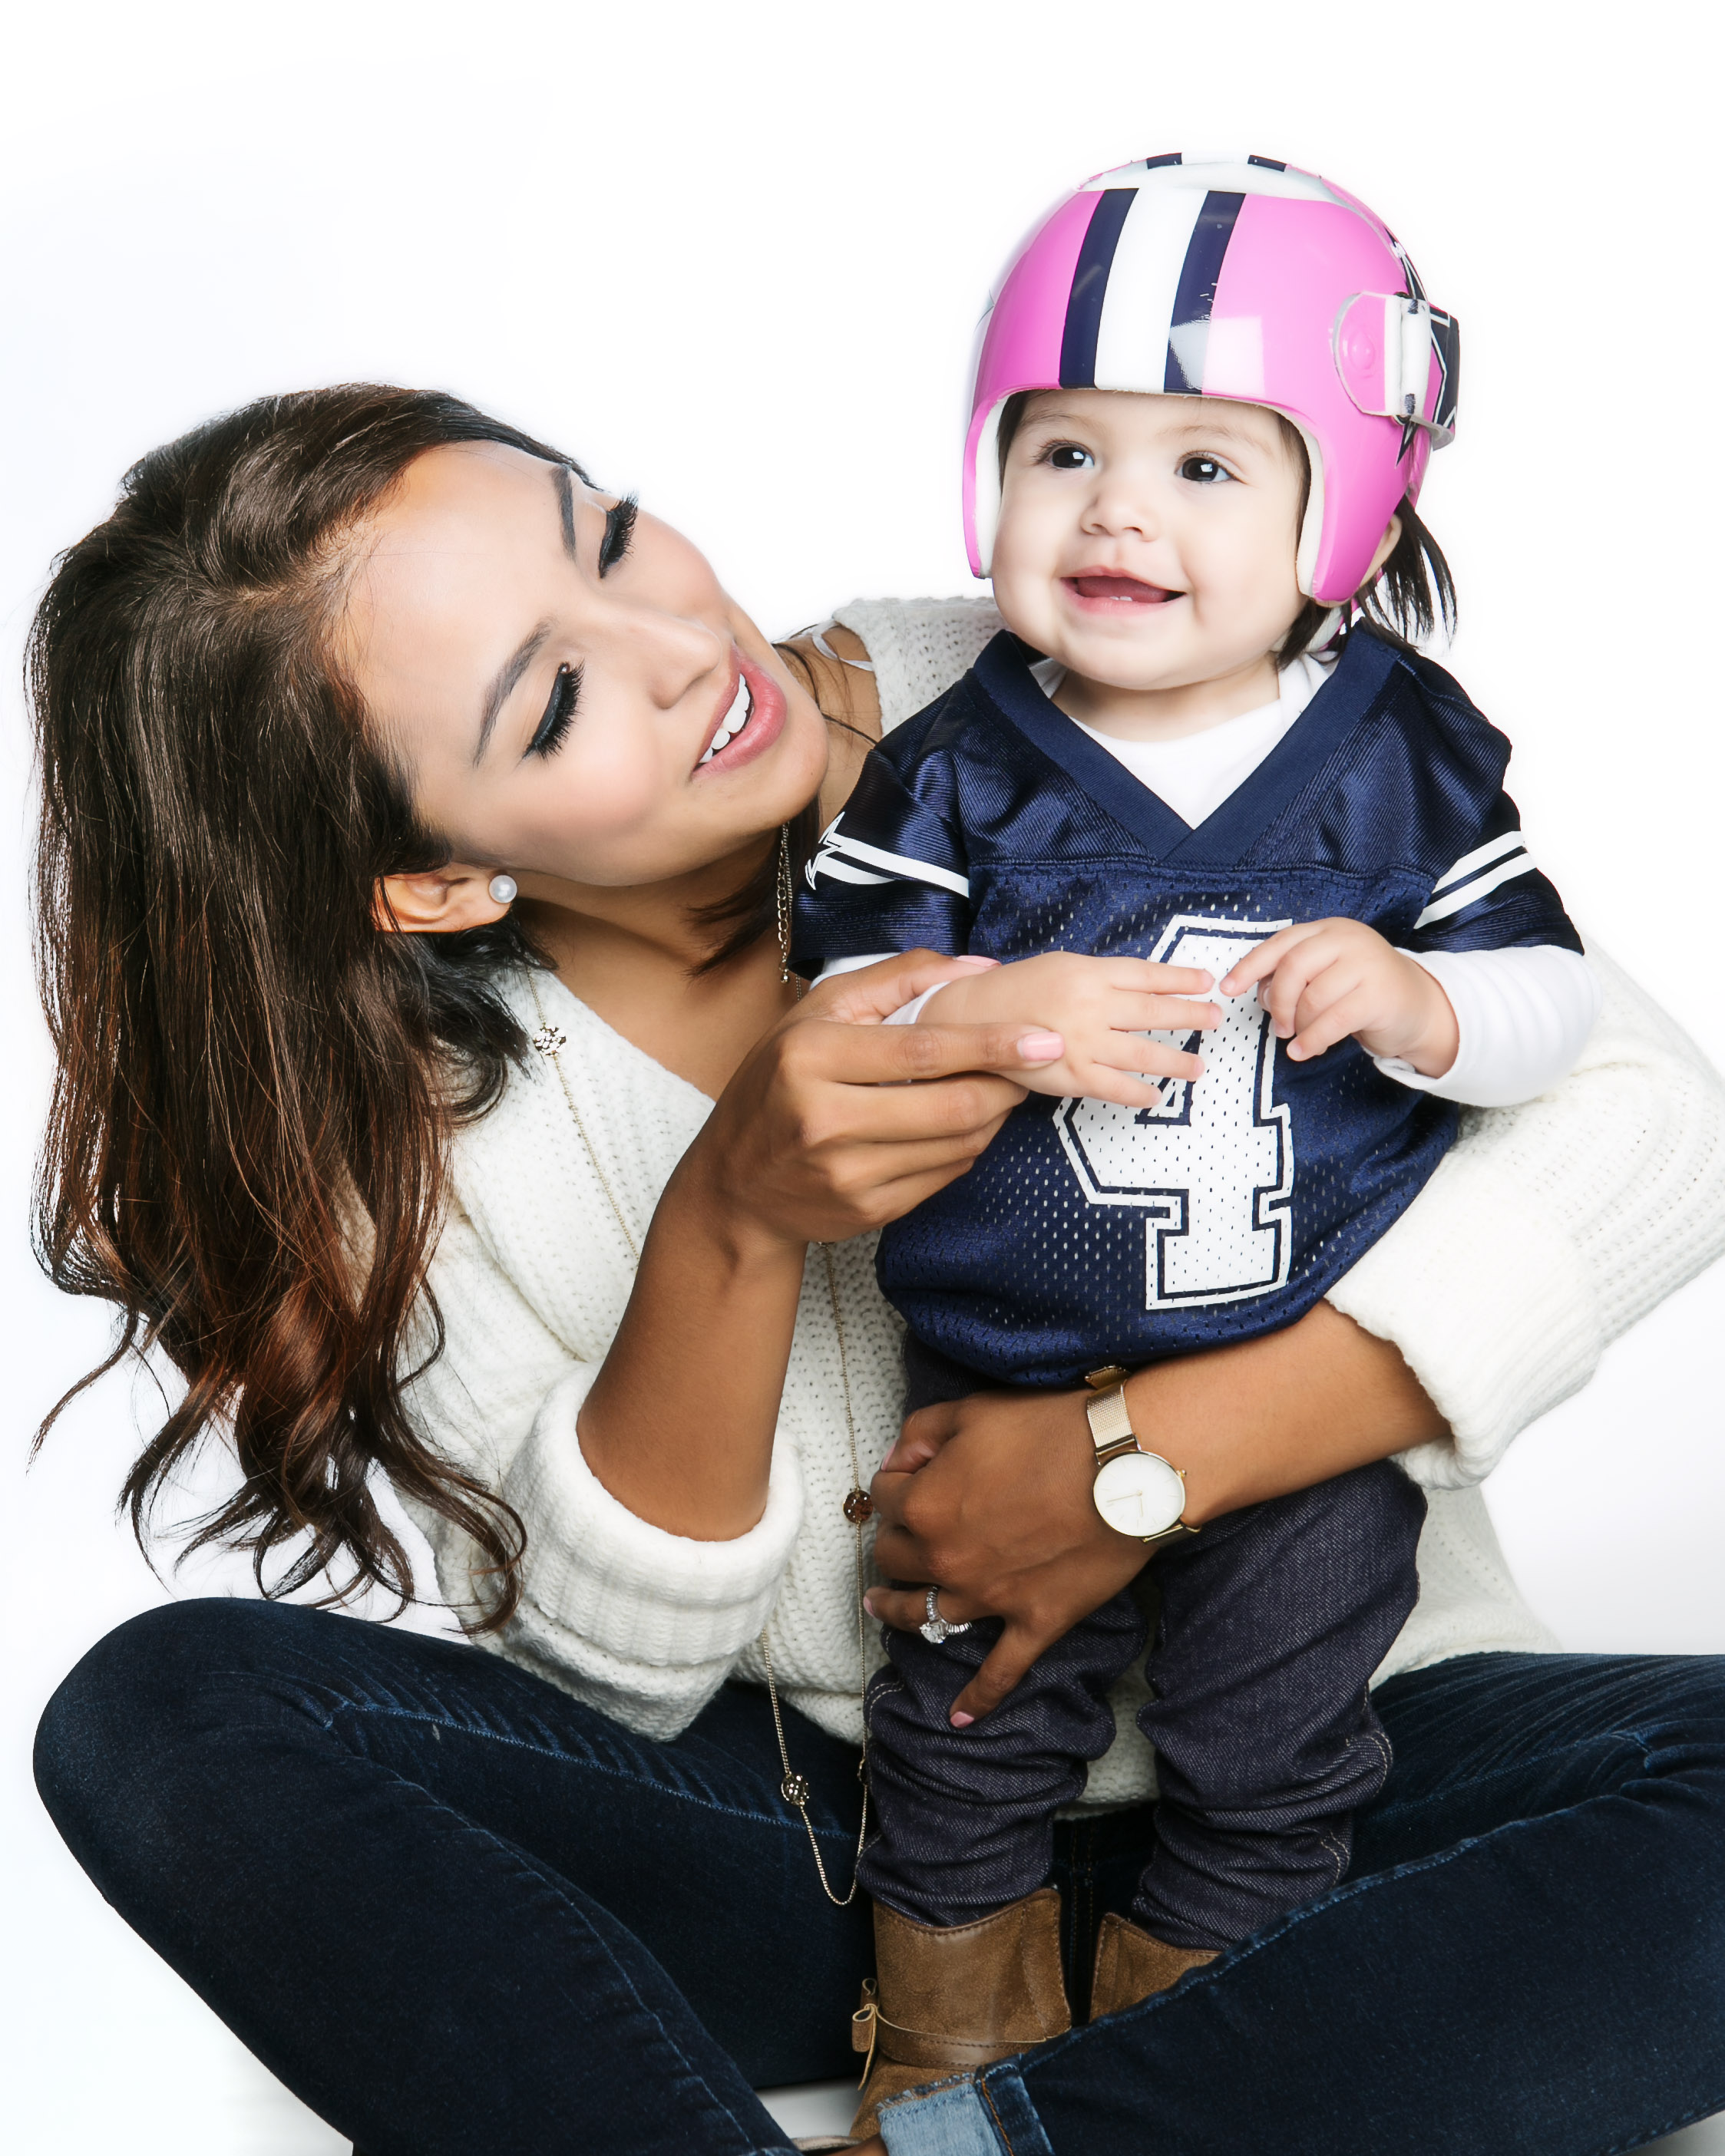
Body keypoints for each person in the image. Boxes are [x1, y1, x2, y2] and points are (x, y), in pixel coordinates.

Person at [24, 382, 1725, 2156]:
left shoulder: (1052, 670)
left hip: (1346, 1744)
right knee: (163, 1719)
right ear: (436, 881)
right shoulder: (407, 1139)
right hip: (842, 1840)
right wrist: (734, 1217)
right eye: (557, 696)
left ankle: (991, 2141)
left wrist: (1135, 1466)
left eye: (607, 534)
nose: (678, 643)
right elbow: (622, 1689)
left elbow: (1643, 1116)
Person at [791, 154, 1604, 2138]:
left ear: (1350, 504)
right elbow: (825, 1026)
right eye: (1060, 449)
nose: (1116, 508)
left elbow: (1552, 1002)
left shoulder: (1398, 748)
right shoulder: (958, 760)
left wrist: (1421, 1007)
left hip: (1287, 1395)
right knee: (965, 1738)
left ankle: (1169, 2082)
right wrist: (981, 1014)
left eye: (1206, 467)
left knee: (1277, 1749)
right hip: (999, 1380)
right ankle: (948, 2071)